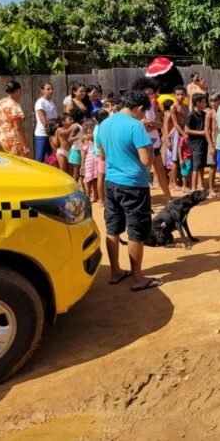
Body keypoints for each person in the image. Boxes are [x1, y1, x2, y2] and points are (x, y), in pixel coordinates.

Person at [97, 90, 163, 292]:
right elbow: (146, 160)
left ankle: (115, 271)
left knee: (112, 228)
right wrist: (150, 145)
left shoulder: (105, 124)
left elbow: (101, 154)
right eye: (145, 112)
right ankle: (138, 277)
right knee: (136, 231)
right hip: (134, 184)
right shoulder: (136, 126)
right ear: (140, 108)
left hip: (111, 181)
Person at [132, 77, 171, 202]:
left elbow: (160, 124)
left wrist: (150, 123)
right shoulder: (135, 107)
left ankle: (168, 197)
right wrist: (149, 125)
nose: (149, 95)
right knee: (143, 172)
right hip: (141, 143)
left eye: (151, 93)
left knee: (160, 170)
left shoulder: (154, 106)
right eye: (146, 93)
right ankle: (144, 199)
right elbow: (137, 125)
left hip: (154, 142)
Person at [0, 81, 30, 157]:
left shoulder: (0, 103)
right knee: (20, 163)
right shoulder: (14, 106)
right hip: (13, 139)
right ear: (17, 90)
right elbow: (18, 128)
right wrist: (24, 146)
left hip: (2, 137)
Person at [185, 93, 209, 192]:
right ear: (198, 103)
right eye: (203, 102)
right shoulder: (191, 115)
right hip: (195, 144)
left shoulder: (204, 114)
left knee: (201, 165)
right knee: (196, 166)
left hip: (203, 143)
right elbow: (186, 130)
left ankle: (200, 185)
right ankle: (193, 187)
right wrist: (201, 133)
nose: (205, 103)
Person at [34, 82, 59, 161]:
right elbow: (42, 118)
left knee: (51, 157)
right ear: (42, 90)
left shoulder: (51, 101)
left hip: (52, 133)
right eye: (48, 89)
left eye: (52, 89)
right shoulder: (40, 102)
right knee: (40, 158)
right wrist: (48, 130)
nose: (51, 91)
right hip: (43, 134)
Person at [93, 109, 109, 203]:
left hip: (97, 153)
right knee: (101, 177)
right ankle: (101, 199)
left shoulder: (97, 127)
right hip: (101, 154)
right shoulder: (101, 128)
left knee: (101, 177)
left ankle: (102, 198)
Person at [81, 120, 100, 202]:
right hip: (95, 159)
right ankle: (95, 196)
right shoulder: (93, 138)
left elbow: (83, 154)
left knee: (88, 180)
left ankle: (88, 197)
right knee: (93, 179)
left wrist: (82, 165)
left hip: (89, 160)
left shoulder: (85, 139)